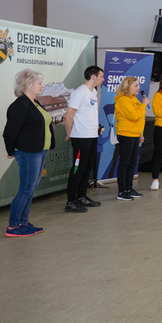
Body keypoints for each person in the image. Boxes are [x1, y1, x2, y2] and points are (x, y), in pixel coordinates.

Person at [2, 69, 55, 237]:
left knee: (30, 189)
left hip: (39, 150)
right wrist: (10, 150)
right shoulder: (20, 105)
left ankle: (23, 222)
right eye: (39, 83)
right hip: (28, 152)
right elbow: (9, 132)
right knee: (26, 189)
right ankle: (13, 226)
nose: (43, 86)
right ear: (27, 84)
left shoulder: (35, 103)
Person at [62, 65, 104, 213]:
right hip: (80, 137)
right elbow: (68, 116)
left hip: (92, 136)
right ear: (93, 77)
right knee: (78, 169)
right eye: (101, 76)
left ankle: (82, 196)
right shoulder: (80, 92)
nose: (103, 79)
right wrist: (70, 134)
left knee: (87, 168)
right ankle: (71, 201)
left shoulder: (93, 91)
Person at [114, 77, 148, 200]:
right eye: (136, 85)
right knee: (125, 162)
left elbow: (139, 118)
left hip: (134, 134)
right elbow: (133, 115)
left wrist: (140, 133)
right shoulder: (123, 100)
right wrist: (144, 105)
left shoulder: (134, 99)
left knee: (132, 163)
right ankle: (121, 191)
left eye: (138, 85)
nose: (139, 87)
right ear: (127, 87)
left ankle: (129, 188)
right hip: (126, 134)